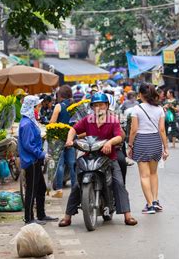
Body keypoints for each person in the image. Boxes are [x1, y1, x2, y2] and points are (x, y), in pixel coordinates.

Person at [58, 93, 138, 227]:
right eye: (95, 105)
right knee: (77, 185)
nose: (98, 108)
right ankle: (67, 217)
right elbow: (73, 129)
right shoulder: (87, 120)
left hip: (109, 158)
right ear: (92, 107)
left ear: (106, 106)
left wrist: (109, 143)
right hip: (90, 156)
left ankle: (127, 216)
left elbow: (119, 137)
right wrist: (69, 140)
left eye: (101, 104)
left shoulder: (113, 120)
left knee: (119, 183)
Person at [128, 83, 168, 214]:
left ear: (140, 95)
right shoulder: (160, 109)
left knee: (144, 176)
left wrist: (130, 145)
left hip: (141, 142)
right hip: (155, 141)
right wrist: (165, 148)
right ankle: (155, 201)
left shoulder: (137, 109)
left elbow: (133, 130)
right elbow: (162, 130)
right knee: (153, 173)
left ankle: (150, 205)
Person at [18, 96, 58, 224]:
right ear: (31, 107)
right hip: (31, 161)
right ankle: (29, 218)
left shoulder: (30, 121)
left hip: (34, 160)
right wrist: (41, 154)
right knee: (32, 189)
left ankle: (41, 214)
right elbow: (28, 145)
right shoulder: (27, 124)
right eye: (37, 107)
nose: (38, 109)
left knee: (41, 188)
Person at [49, 85, 76, 198]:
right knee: (72, 164)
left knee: (59, 165)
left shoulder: (59, 106)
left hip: (59, 139)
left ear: (60, 95)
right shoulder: (75, 106)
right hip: (72, 138)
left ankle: (59, 190)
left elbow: (52, 123)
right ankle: (76, 189)